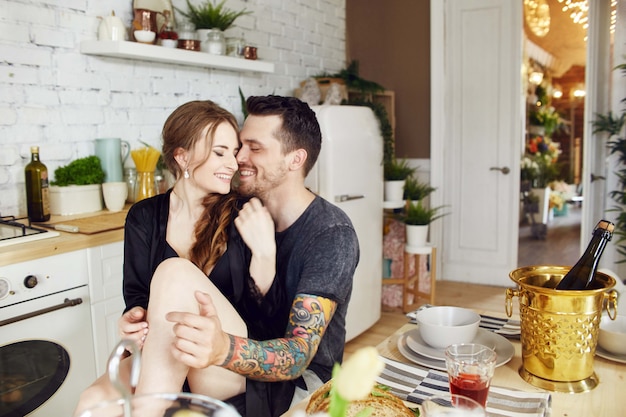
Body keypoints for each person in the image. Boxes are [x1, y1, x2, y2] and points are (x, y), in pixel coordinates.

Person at [73, 99, 275, 415]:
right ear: (182, 157)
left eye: (232, 153)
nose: (234, 164)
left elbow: (265, 318)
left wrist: (265, 254)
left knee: (174, 272)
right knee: (94, 403)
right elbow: (138, 299)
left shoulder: (244, 213)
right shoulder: (143, 216)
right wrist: (133, 321)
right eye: (220, 152)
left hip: (224, 363)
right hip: (164, 358)